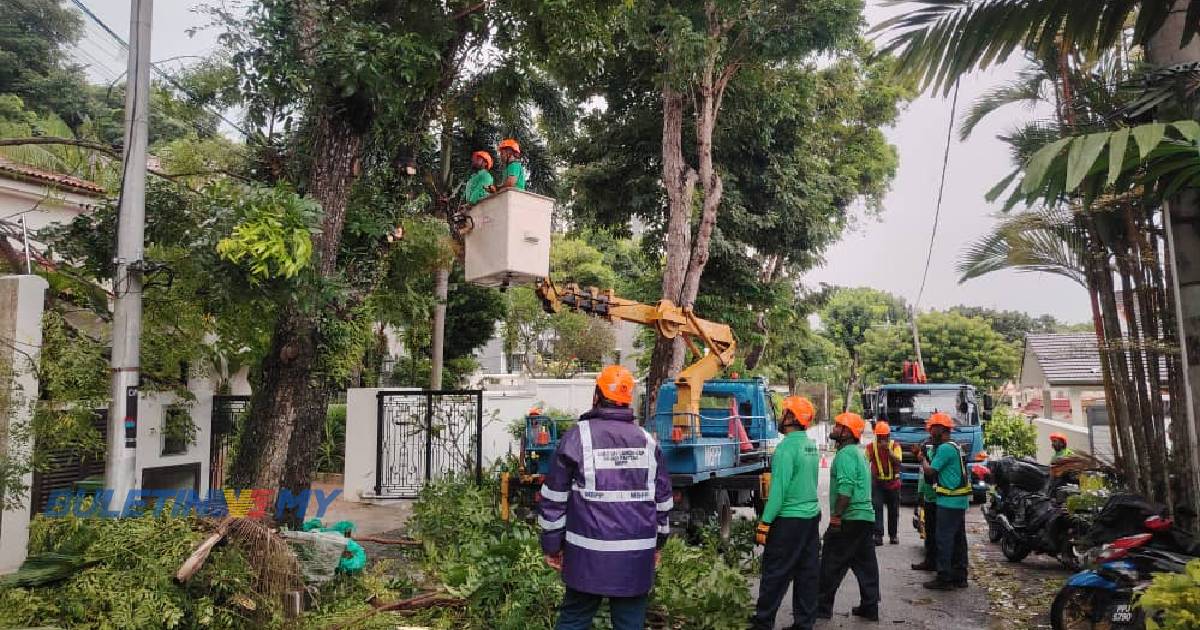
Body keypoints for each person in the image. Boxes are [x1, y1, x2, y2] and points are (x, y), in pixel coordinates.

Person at [538, 365, 672, 630]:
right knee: (630, 622)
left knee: (574, 619)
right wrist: (658, 545)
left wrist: (552, 547)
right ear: (627, 400)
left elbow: (554, 500)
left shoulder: (579, 436)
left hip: (585, 556)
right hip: (635, 557)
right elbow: (663, 503)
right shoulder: (647, 442)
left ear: (596, 395)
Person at [752, 396, 822, 630]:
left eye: (785, 413)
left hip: (788, 520)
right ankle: (804, 623)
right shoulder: (811, 445)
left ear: (792, 418)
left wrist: (765, 522)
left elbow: (778, 492)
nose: (781, 417)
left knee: (775, 572)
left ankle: (763, 622)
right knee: (807, 572)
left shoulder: (785, 449)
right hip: (810, 519)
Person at [816, 412, 881, 622]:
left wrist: (836, 517)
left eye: (838, 426)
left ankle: (822, 608)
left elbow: (846, 489)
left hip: (849, 518)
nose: (834, 429)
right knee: (865, 564)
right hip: (864, 518)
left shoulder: (844, 455)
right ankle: (870, 606)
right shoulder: (857, 453)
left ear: (847, 432)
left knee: (830, 563)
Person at [918, 412, 970, 590]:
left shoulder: (945, 448)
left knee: (944, 539)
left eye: (932, 430)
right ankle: (960, 576)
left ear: (941, 429)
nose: (930, 434)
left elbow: (930, 471)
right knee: (958, 539)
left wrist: (923, 459)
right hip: (958, 500)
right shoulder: (955, 446)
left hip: (948, 501)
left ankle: (944, 578)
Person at [866, 421, 902, 546]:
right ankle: (878, 536)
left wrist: (888, 451)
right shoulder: (871, 447)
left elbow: (898, 462)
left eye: (885, 437)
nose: (883, 440)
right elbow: (865, 463)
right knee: (877, 509)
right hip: (878, 483)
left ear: (888, 436)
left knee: (893, 510)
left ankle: (893, 536)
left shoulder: (895, 446)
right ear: (877, 436)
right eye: (880, 437)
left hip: (893, 483)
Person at [911, 439, 939, 572]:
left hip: (936, 499)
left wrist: (923, 459)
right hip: (929, 498)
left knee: (934, 533)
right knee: (929, 531)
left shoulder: (933, 456)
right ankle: (930, 560)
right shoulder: (927, 458)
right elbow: (922, 479)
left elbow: (929, 474)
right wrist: (920, 494)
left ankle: (934, 562)